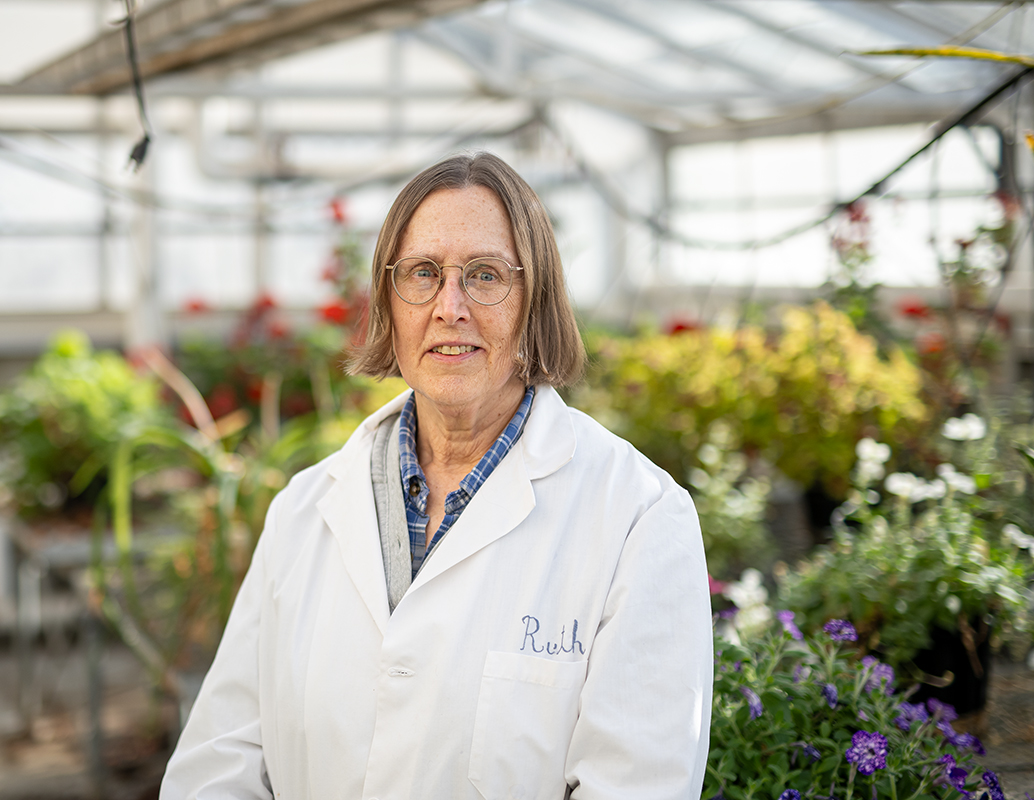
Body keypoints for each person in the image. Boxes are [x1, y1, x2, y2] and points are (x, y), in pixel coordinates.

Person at [160, 152, 713, 800]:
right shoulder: (304, 511)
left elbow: (635, 786)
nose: (450, 306)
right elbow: (218, 763)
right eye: (423, 273)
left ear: (534, 302)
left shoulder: (637, 518)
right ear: (391, 303)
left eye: (484, 275)